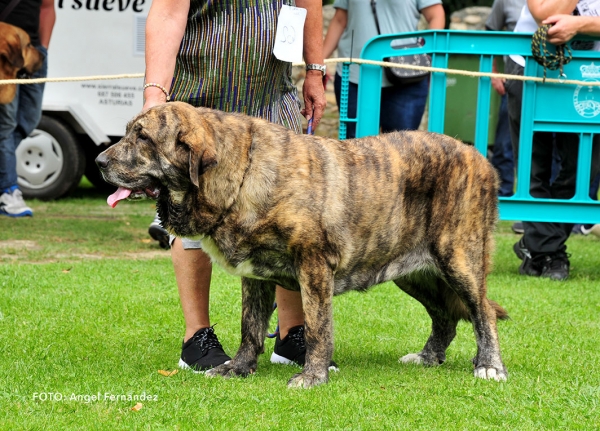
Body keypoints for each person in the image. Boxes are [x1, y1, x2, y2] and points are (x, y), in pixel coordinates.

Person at [143, 0, 331, 371]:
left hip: (271, 97)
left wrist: (314, 69)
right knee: (192, 212)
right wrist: (155, 93)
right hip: (201, 98)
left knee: (291, 216)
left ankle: (293, 334)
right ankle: (197, 336)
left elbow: (308, 2)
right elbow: (167, 12)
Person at [507, 0, 600, 280]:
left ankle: (535, 243)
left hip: (589, 75)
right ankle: (549, 254)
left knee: (584, 171)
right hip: (531, 65)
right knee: (534, 167)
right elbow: (545, 15)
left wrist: (581, 24)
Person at [322, 0, 445, 139]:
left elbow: (436, 15)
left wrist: (426, 55)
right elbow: (340, 19)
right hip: (355, 76)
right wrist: (319, 62)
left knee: (402, 150)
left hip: (407, 78)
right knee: (355, 150)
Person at [0, 0, 55, 217]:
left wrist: (43, 48)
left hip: (31, 50)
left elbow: (47, 7)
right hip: (5, 51)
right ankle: (8, 191)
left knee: (28, 120)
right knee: (6, 124)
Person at [485, 0, 525, 197]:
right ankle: (501, 196)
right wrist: (494, 73)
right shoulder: (505, 1)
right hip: (514, 81)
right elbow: (490, 32)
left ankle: (543, 202)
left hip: (552, 84)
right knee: (504, 144)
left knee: (551, 147)